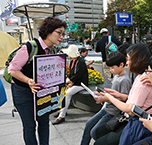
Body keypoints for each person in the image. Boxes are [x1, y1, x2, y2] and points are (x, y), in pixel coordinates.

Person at [8, 17, 67, 145]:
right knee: (29, 126)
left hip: (42, 93)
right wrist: (28, 80)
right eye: (59, 32)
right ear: (48, 31)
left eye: (63, 33)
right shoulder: (29, 47)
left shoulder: (55, 50)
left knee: (44, 122)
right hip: (23, 91)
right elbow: (12, 69)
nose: (62, 36)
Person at [94, 43, 152, 145]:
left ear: (137, 60)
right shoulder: (143, 76)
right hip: (139, 122)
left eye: (129, 59)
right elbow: (136, 101)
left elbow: (131, 110)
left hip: (139, 125)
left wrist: (110, 98)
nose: (126, 62)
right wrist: (119, 96)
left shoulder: (142, 82)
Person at [80, 51, 131, 145]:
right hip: (106, 108)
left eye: (112, 67)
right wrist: (102, 95)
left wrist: (105, 99)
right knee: (89, 125)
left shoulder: (124, 80)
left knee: (95, 133)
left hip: (113, 112)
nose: (111, 70)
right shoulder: (117, 76)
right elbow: (114, 94)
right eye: (109, 67)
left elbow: (123, 99)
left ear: (121, 64)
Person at [52, 44, 88, 125]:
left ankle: (61, 116)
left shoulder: (81, 62)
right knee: (61, 92)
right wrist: (68, 79)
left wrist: (69, 80)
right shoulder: (73, 61)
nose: (68, 55)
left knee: (67, 94)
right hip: (74, 83)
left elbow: (78, 75)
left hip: (80, 84)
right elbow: (72, 74)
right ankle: (61, 110)